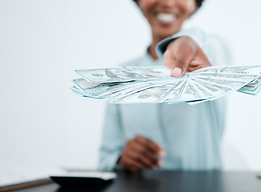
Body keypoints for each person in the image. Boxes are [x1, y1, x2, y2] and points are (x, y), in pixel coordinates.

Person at [99, 0, 231, 172]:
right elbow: (105, 160)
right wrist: (121, 159)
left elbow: (213, 44)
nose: (168, 2)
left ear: (195, 5)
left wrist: (188, 42)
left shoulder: (209, 56)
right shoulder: (119, 75)